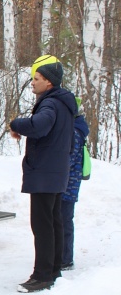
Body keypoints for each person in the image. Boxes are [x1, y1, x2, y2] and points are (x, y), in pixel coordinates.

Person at [10, 54, 76, 293]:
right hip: (57, 171)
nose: (33, 82)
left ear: (48, 82)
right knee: (54, 221)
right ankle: (54, 269)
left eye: (36, 78)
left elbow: (40, 126)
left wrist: (17, 124)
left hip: (44, 172)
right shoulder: (64, 102)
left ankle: (42, 275)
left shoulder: (49, 103)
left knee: (42, 225)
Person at [60, 102, 89, 271]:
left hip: (67, 185)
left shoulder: (74, 133)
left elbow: (67, 160)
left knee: (64, 220)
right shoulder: (77, 129)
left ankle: (65, 258)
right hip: (69, 183)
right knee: (64, 220)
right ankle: (64, 256)